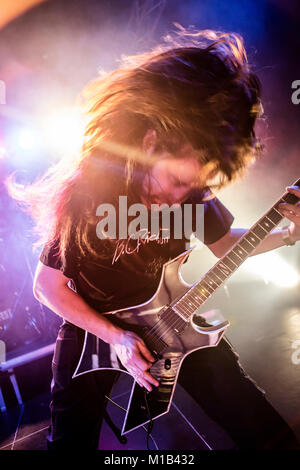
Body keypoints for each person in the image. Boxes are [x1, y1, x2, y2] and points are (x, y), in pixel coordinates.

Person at [10, 28, 300, 450]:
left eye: (194, 187)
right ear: (150, 142)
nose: (180, 196)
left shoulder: (193, 192)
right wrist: (118, 338)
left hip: (171, 317)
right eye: (176, 178)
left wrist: (289, 235)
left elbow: (224, 245)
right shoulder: (89, 192)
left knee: (264, 430)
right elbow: (47, 286)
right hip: (94, 332)